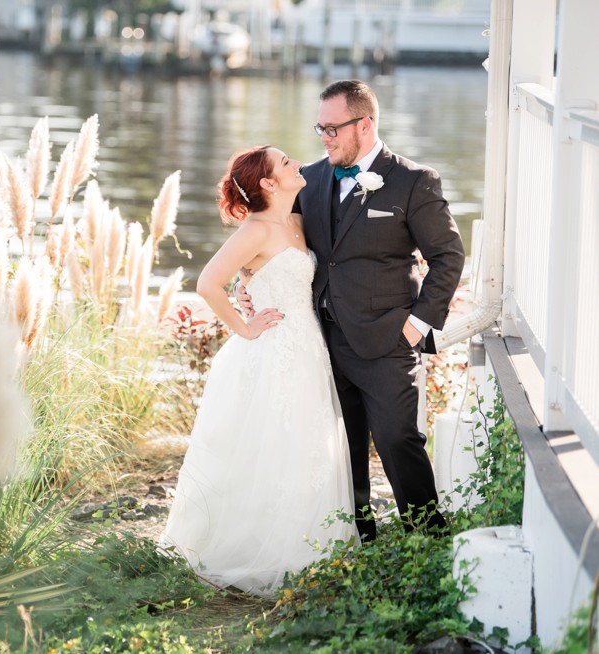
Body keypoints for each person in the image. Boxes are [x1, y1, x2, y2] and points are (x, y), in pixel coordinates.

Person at [237, 80, 465, 540]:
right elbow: (275, 240)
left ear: (364, 124)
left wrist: (416, 325)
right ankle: (358, 537)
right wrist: (246, 283)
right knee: (342, 447)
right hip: (319, 338)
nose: (324, 137)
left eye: (332, 128)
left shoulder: (413, 180)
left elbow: (449, 257)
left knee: (399, 439)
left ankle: (427, 539)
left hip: (387, 339)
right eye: (319, 127)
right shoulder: (313, 179)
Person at [159, 145, 359, 597]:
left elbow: (252, 277)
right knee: (270, 444)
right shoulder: (255, 229)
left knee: (306, 443)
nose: (296, 165)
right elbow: (207, 282)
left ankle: (309, 545)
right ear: (268, 183)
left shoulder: (296, 219)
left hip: (308, 347)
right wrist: (244, 327)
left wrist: (245, 284)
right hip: (270, 350)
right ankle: (258, 549)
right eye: (285, 163)